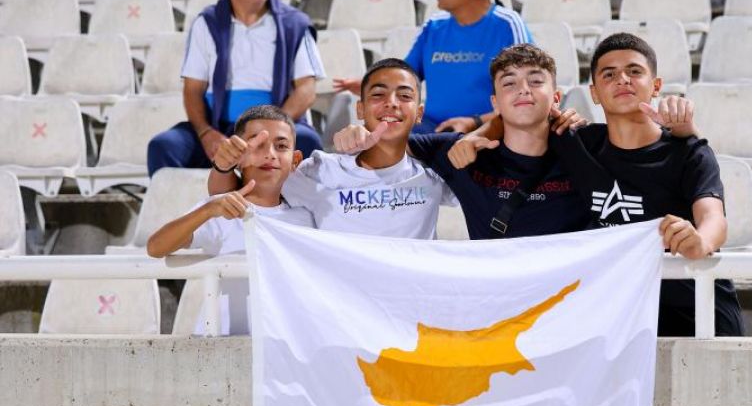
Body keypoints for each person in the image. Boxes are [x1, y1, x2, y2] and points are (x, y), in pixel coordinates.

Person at [549, 33, 743, 336]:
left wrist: (701, 242)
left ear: (656, 86)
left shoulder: (690, 151)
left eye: (634, 71)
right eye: (609, 74)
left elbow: (713, 217)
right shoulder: (581, 144)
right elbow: (518, 119)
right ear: (594, 93)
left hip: (698, 315)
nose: (622, 79)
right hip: (624, 321)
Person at [333, 44, 590, 239]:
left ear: (556, 98)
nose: (523, 89)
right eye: (509, 83)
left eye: (535, 81)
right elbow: (388, 141)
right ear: (495, 103)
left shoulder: (586, 150)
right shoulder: (459, 152)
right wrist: (355, 134)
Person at [209, 59, 455, 238]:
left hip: (414, 296)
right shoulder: (319, 170)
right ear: (360, 109)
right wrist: (223, 166)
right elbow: (236, 194)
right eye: (378, 95)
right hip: (341, 296)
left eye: (404, 96)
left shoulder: (434, 174)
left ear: (419, 113)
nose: (391, 103)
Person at [147, 0, 324, 177]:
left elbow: (306, 89)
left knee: (307, 141)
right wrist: (206, 133)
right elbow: (193, 90)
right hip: (219, 128)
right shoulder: (207, 23)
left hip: (276, 125)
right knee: (164, 146)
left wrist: (270, 131)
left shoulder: (295, 24)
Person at [147, 105, 310, 335]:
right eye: (258, 145)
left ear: (295, 160)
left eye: (281, 146)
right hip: (221, 340)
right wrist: (208, 210)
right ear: (238, 157)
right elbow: (156, 247)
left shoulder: (306, 217)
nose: (270, 154)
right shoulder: (221, 210)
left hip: (281, 343)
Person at [333, 0, 531, 135]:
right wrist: (374, 84)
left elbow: (529, 97)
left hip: (487, 130)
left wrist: (475, 122)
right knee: (379, 136)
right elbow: (406, 76)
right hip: (432, 129)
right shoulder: (434, 27)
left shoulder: (507, 25)